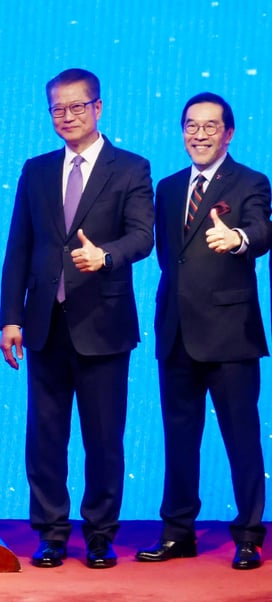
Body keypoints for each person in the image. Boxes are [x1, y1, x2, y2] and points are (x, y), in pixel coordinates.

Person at [0, 68, 154, 569]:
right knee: (45, 438)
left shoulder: (130, 168)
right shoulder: (36, 170)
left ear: (98, 108)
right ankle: (52, 533)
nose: (66, 117)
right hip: (44, 324)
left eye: (77, 107)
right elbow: (19, 247)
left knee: (104, 438)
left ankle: (101, 535)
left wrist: (105, 255)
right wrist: (10, 319)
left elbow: (143, 237)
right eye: (57, 109)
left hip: (103, 324)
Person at [135, 92, 269, 570]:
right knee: (179, 437)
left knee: (242, 437)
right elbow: (169, 256)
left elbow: (262, 231)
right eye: (191, 125)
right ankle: (178, 533)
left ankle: (250, 535)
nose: (200, 134)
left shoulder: (251, 181)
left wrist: (238, 240)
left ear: (229, 133)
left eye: (211, 126)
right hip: (177, 331)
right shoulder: (169, 188)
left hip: (231, 334)